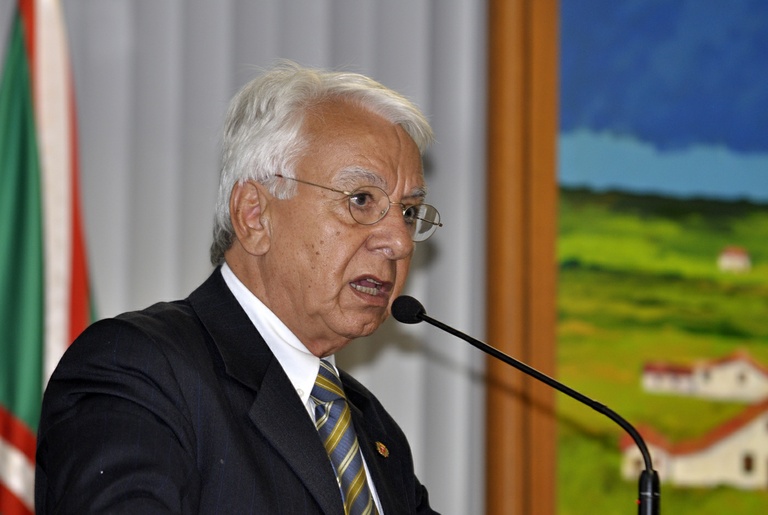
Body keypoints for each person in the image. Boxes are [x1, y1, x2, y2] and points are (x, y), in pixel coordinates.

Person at [35, 61, 442, 514]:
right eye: (361, 200)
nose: (400, 242)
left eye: (407, 212)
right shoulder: (141, 369)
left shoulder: (371, 427)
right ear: (254, 215)